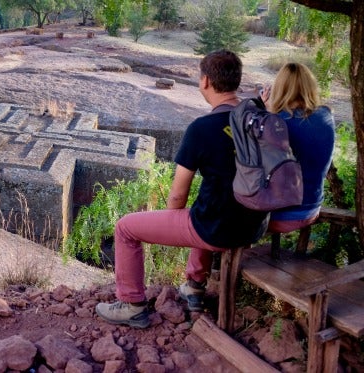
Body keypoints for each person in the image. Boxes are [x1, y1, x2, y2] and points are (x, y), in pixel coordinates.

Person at [95, 50, 270, 328]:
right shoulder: (258, 119)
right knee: (207, 209)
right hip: (254, 226)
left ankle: (132, 305)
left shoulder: (202, 128)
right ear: (237, 81)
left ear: (205, 82)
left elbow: (177, 197)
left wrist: (172, 218)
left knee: (126, 228)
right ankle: (194, 287)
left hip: (219, 229)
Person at [260, 62, 335, 233]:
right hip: (312, 207)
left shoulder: (278, 122)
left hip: (284, 215)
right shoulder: (326, 115)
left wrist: (268, 114)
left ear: (280, 88)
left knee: (220, 218)